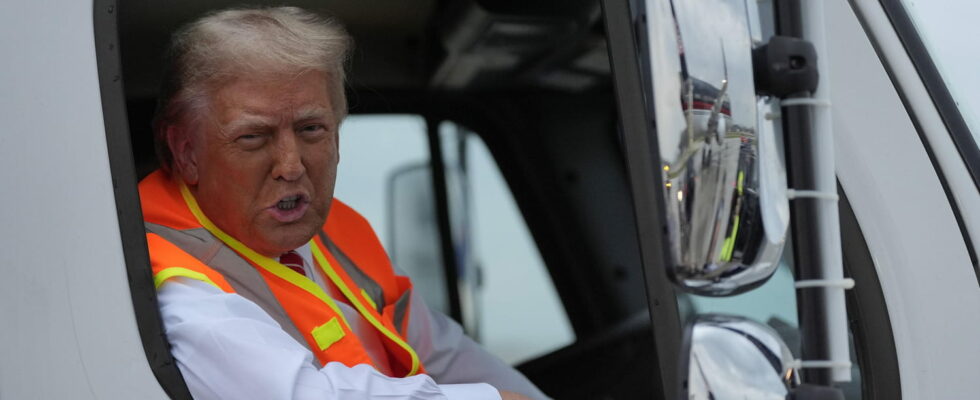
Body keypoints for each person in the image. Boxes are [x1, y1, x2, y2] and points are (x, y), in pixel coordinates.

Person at [140, 6, 545, 400]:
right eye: (253, 137)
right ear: (187, 152)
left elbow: (445, 351)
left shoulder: (336, 231)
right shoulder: (168, 277)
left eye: (311, 129)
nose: (291, 165)